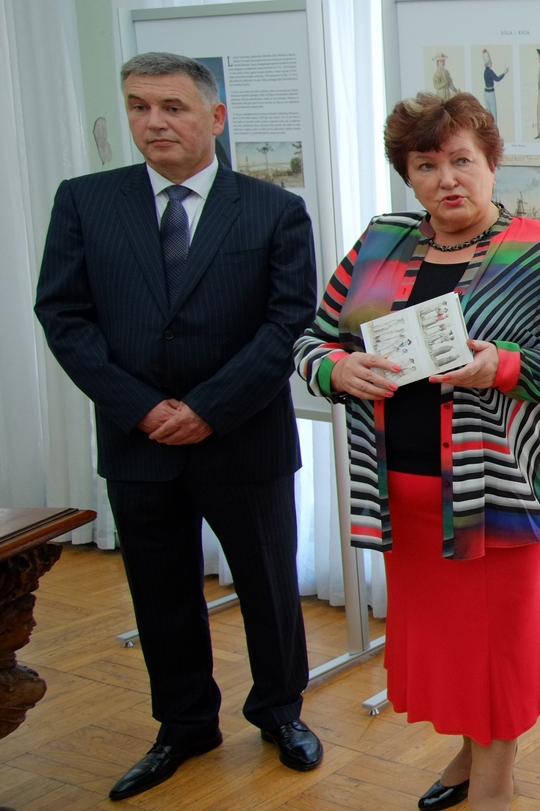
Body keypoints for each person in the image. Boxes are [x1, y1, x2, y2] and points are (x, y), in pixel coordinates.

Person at [293, 91, 540, 811]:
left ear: (492, 163)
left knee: (496, 644)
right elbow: (313, 340)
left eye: (462, 160)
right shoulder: (380, 243)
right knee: (451, 644)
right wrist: (335, 370)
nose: (447, 180)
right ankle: (470, 757)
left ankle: (495, 786)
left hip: (501, 493)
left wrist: (500, 365)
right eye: (426, 165)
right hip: (401, 495)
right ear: (408, 175)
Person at [34, 52, 323, 801]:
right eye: (139, 106)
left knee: (267, 584)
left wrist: (207, 409)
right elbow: (63, 315)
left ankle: (280, 710)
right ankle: (185, 725)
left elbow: (287, 321)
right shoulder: (85, 201)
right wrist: (140, 407)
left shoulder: (273, 209)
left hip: (243, 438)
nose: (154, 122)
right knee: (159, 592)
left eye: (172, 107)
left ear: (215, 118)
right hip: (138, 442)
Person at [480, 49, 508, 120]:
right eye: (490, 62)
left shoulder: (485, 71)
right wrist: (504, 73)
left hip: (485, 93)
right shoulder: (489, 71)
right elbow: (497, 79)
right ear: (488, 63)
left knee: (488, 114)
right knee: (493, 114)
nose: (491, 63)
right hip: (490, 93)